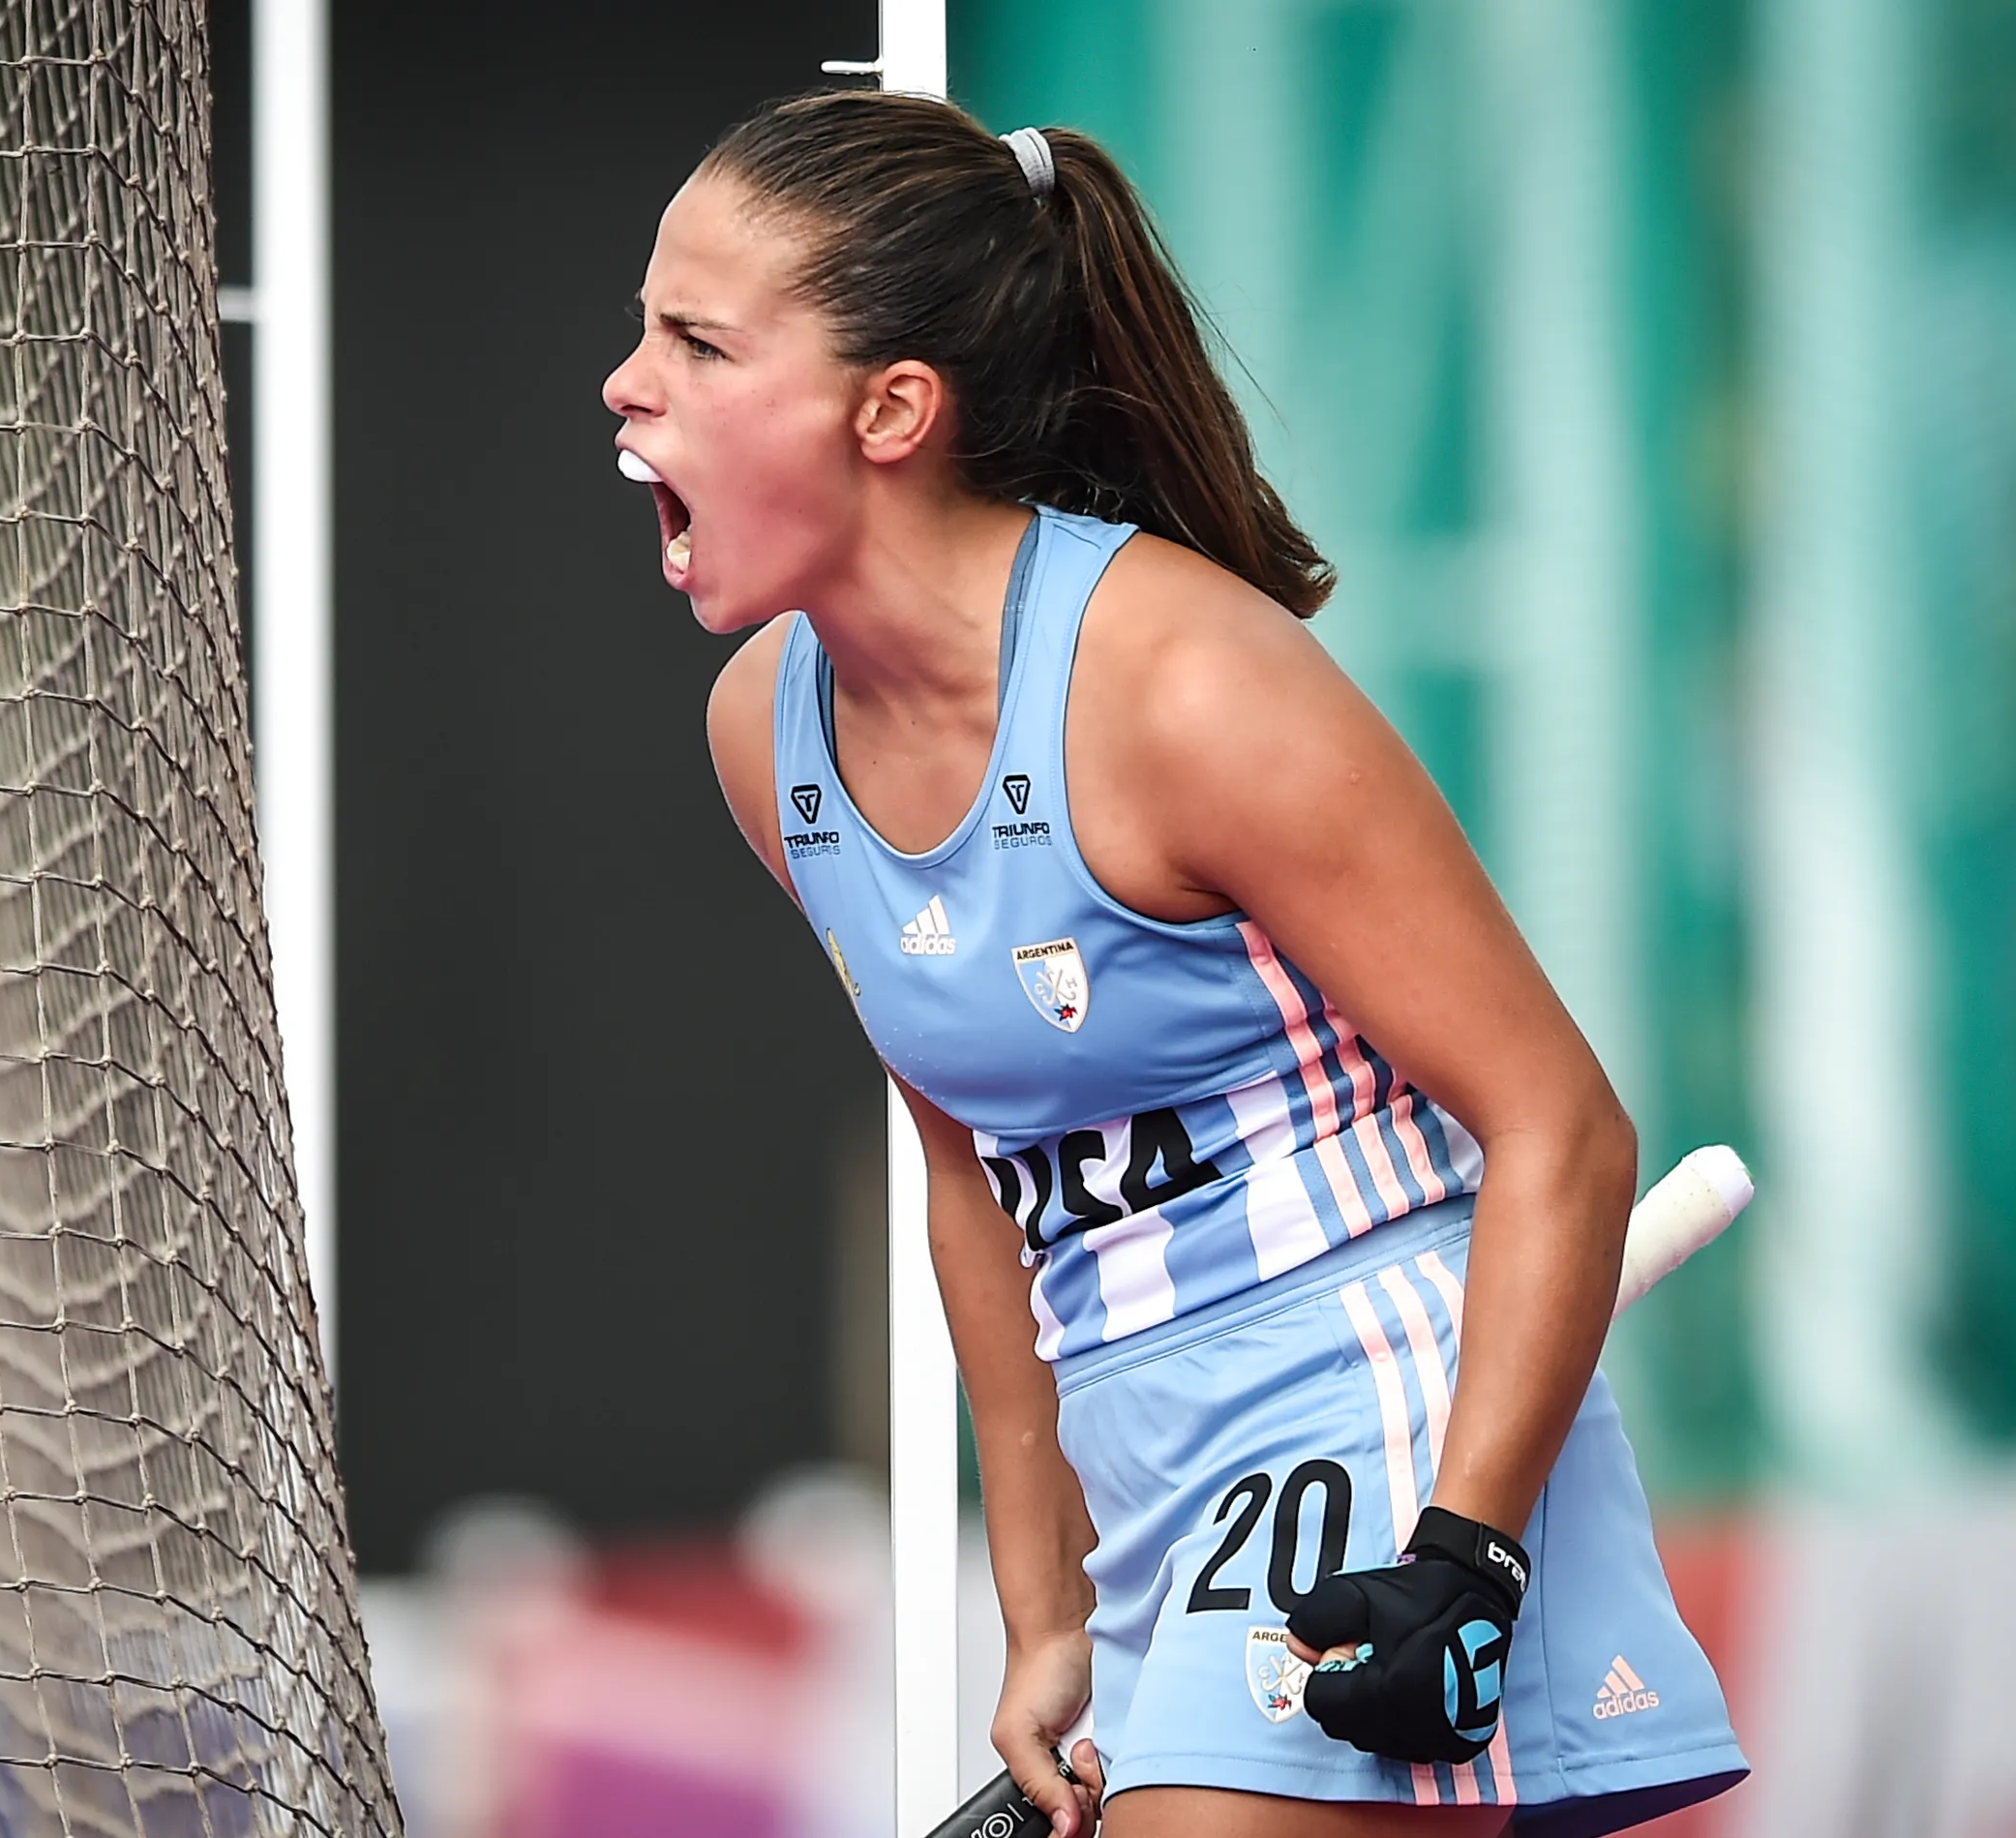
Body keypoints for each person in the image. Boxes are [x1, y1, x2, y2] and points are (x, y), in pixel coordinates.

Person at [601, 89, 1747, 1838]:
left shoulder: (1185, 686)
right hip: (1140, 1457)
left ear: (892, 409)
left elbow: (1562, 1128)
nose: (628, 383)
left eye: (694, 342)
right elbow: (972, 1169)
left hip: (1382, 1408)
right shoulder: (768, 730)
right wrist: (1047, 1603)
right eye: (643, 330)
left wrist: (1468, 1555)